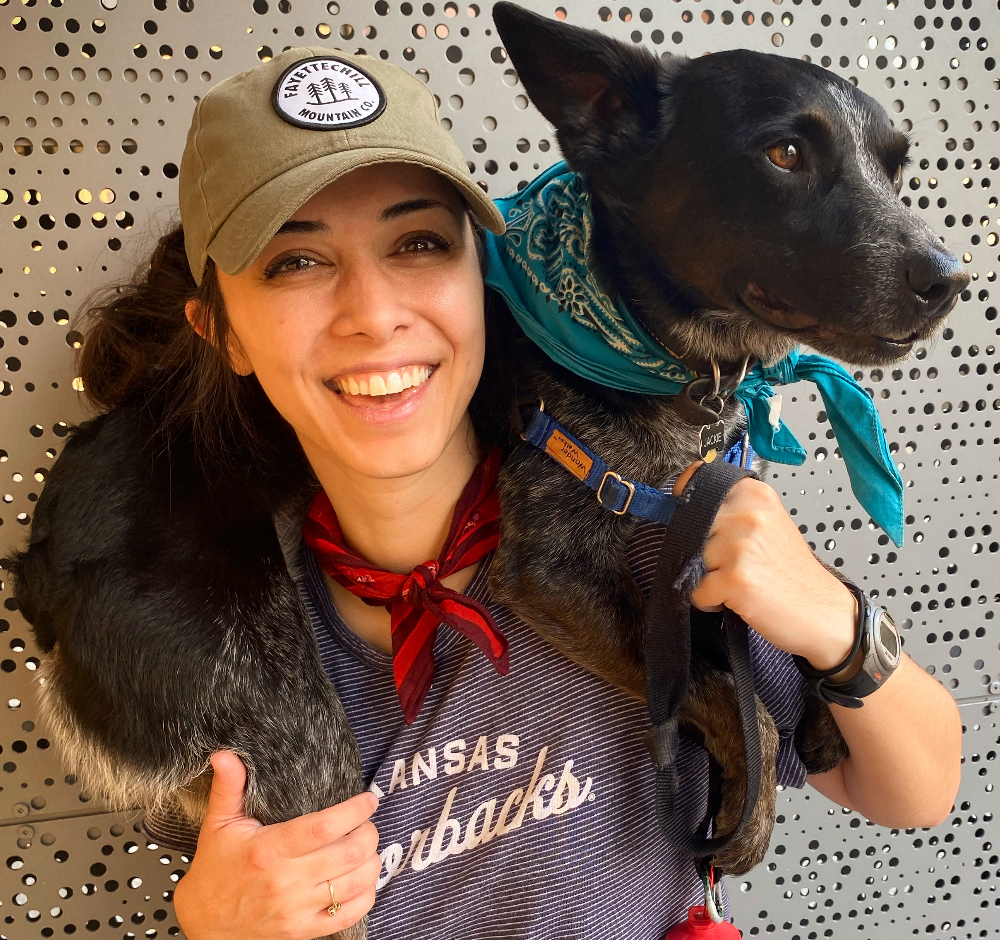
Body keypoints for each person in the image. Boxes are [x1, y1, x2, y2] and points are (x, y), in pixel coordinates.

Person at [26, 47, 961, 940]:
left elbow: (915, 791)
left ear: (482, 280)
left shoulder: (648, 533)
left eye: (420, 243)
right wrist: (213, 920)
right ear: (220, 332)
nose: (374, 314)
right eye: (295, 262)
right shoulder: (204, 639)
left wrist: (836, 619)